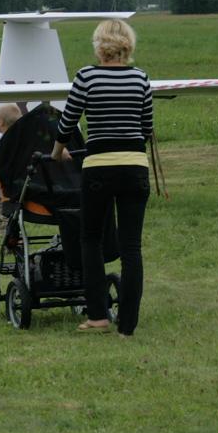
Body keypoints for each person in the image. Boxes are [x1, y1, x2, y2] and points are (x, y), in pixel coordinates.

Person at [51, 19, 153, 337]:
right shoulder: (141, 79)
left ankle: (98, 316)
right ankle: (128, 325)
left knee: (91, 239)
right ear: (127, 44)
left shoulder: (87, 76)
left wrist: (57, 153)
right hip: (135, 167)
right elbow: (146, 128)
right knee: (131, 247)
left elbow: (67, 123)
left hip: (99, 168)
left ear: (99, 44)